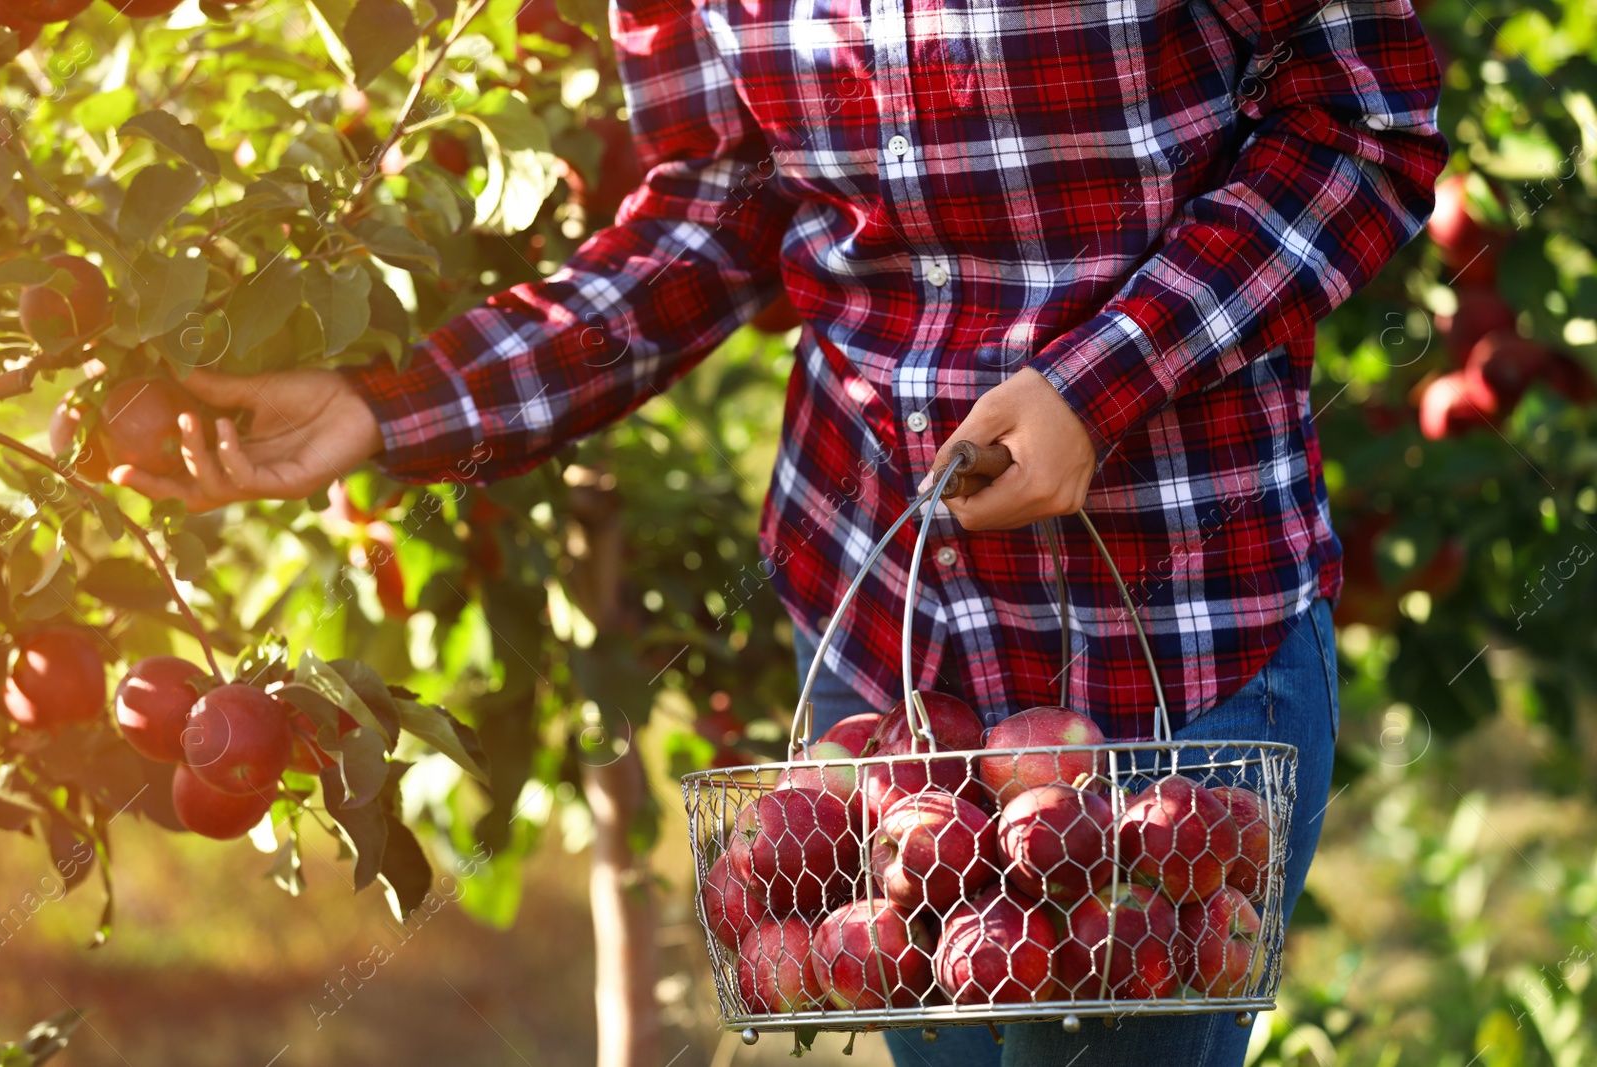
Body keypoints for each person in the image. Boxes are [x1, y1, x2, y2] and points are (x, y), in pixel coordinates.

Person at [111, 0, 1447, 1061]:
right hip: (884, 629)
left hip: (1178, 619)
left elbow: (1366, 123)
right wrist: (391, 408)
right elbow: (721, 211)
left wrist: (1103, 384)